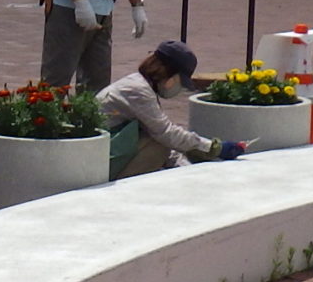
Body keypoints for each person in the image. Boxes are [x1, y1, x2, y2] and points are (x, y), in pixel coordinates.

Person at [106, 39, 248, 178]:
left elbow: (165, 138)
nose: (179, 88)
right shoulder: (138, 92)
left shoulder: (140, 86)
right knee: (158, 148)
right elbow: (167, 135)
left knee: (159, 143)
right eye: (181, 82)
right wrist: (214, 148)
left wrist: (187, 170)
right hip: (103, 160)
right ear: (170, 76)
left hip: (108, 151)